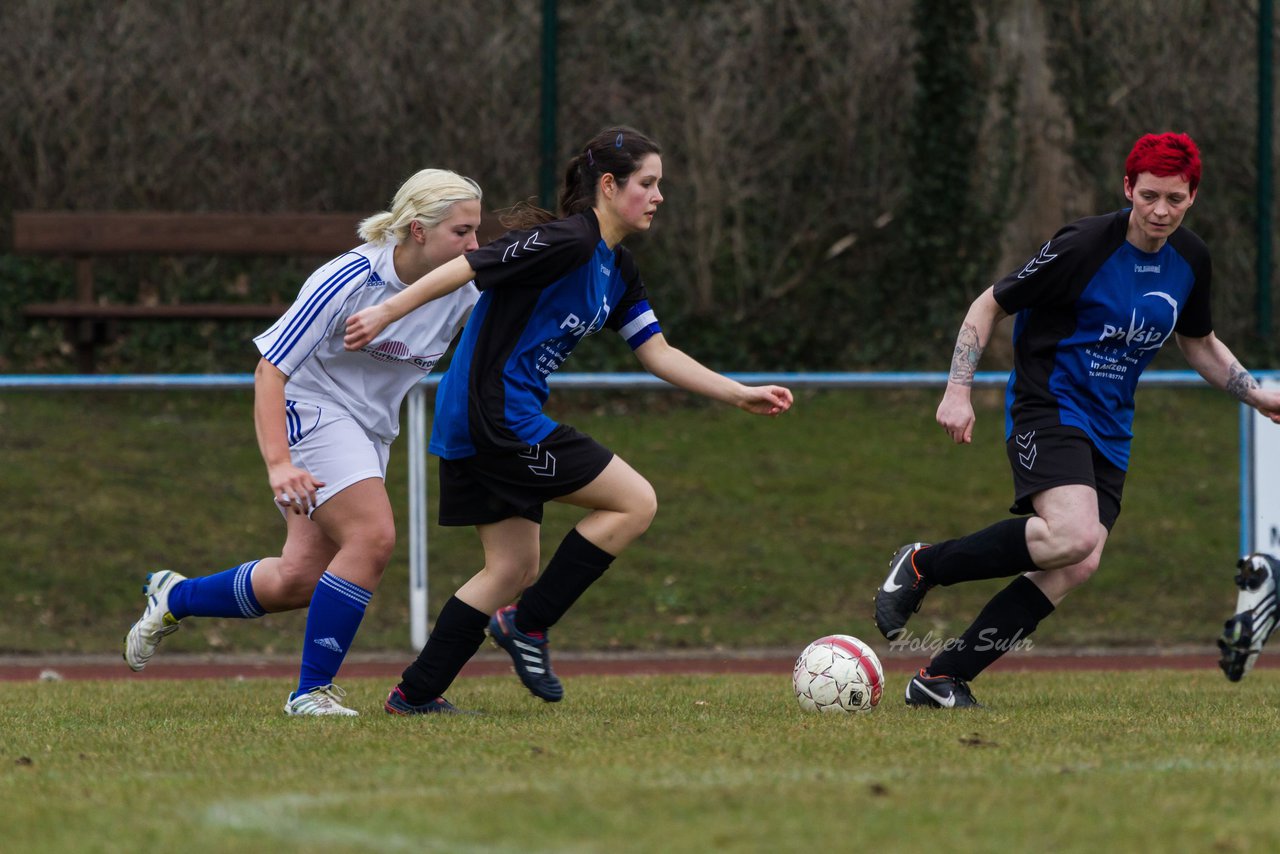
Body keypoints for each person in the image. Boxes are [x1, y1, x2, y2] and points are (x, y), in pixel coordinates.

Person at [344, 125, 793, 715]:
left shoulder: (618, 268)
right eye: (648, 183)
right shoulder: (569, 241)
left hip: (484, 417)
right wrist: (388, 311)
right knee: (634, 502)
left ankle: (415, 694)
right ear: (609, 186)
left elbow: (657, 352)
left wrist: (738, 394)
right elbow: (472, 267)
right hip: (495, 416)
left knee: (511, 567)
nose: (658, 196)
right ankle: (528, 626)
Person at [872, 132, 1280, 708]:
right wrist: (957, 391)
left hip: (1111, 426)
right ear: (1127, 189)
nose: (1161, 210)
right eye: (1149, 196)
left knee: (1078, 561)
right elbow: (988, 304)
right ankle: (923, 563)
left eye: (1175, 198)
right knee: (1073, 534)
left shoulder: (1191, 259)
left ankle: (941, 678)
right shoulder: (1084, 246)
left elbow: (1199, 343)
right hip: (1049, 404)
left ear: (1193, 196)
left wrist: (1256, 395)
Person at [123, 168, 486, 716]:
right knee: (372, 536)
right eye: (462, 232)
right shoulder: (346, 279)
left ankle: (177, 595)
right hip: (312, 410)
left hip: (370, 431)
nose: (474, 245)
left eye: (477, 231)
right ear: (417, 229)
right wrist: (278, 463)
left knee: (297, 580)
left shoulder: (464, 285)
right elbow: (270, 369)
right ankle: (310, 694)